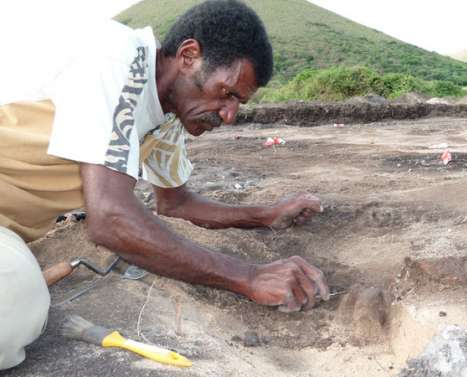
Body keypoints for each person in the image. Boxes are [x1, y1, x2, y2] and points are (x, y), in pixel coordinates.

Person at [0, 0, 329, 370]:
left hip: (7, 231)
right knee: (14, 303)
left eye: (239, 103)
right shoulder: (118, 58)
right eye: (228, 93)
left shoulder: (169, 115)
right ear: (189, 56)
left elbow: (176, 203)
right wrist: (248, 276)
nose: (230, 115)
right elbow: (108, 218)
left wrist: (265, 214)